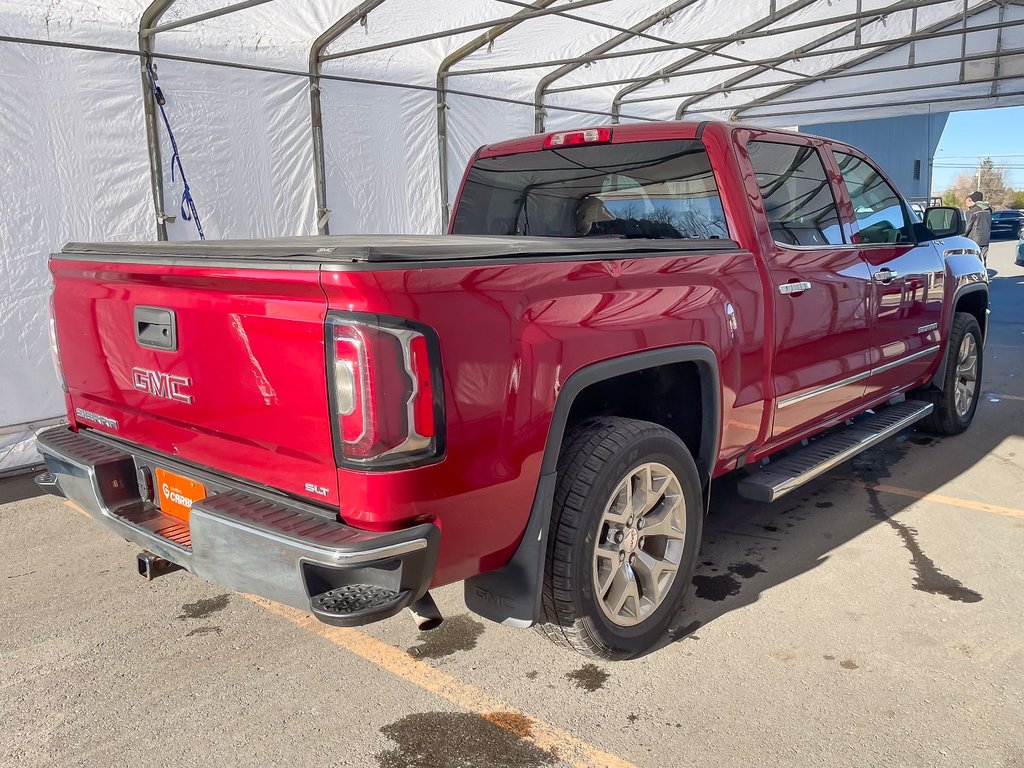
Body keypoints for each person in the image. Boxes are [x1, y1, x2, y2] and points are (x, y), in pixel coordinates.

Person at [964, 191, 991, 267]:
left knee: (973, 260)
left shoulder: (972, 212)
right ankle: (983, 274)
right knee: (983, 259)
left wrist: (960, 238)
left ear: (972, 200)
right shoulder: (988, 210)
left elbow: (966, 228)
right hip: (985, 239)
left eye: (968, 201)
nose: (967, 205)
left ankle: (974, 276)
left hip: (974, 240)